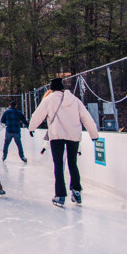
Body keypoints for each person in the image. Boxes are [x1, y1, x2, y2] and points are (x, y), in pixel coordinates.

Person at [28, 78, 99, 207]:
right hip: (73, 136)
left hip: (57, 136)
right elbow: (86, 117)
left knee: (58, 165)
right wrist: (93, 134)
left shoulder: (49, 100)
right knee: (73, 163)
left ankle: (60, 195)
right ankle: (76, 190)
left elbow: (38, 114)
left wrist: (31, 127)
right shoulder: (75, 100)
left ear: (52, 88)